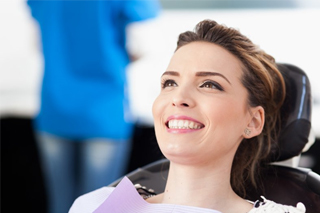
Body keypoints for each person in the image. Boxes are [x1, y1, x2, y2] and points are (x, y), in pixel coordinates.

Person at [69, 20, 306, 213]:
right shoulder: (93, 205)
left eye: (209, 84)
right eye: (170, 83)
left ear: (253, 121)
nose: (179, 97)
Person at [26, 1, 160, 213]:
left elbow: (37, 45)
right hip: (104, 111)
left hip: (55, 106)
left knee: (61, 204)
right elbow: (142, 46)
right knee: (99, 207)